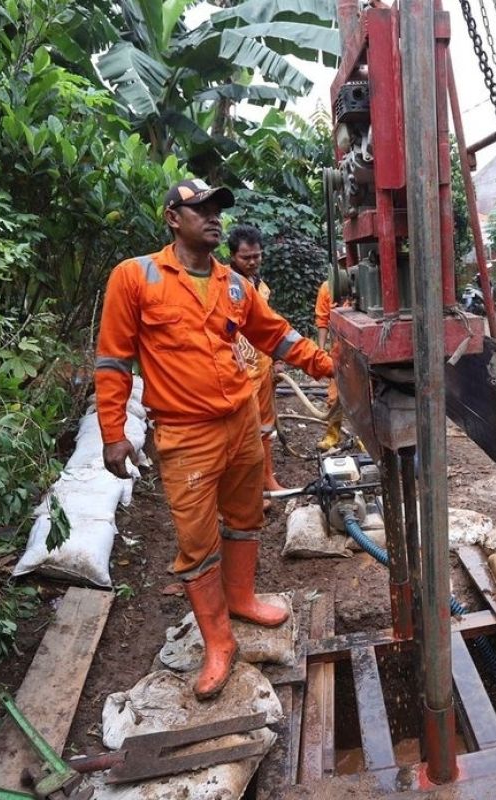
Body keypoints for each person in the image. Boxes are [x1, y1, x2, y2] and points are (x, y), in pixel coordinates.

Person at [95, 179, 333, 700]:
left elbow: (276, 334)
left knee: (247, 516)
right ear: (172, 218)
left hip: (241, 424)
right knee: (197, 541)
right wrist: (113, 433)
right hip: (185, 433)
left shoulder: (233, 284)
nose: (213, 216)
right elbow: (113, 359)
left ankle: (242, 597)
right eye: (199, 208)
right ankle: (218, 641)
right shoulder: (137, 277)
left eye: (217, 208)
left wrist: (327, 363)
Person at [226, 224, 289, 504]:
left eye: (257, 256)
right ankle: (244, 494)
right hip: (239, 372)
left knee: (265, 427)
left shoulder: (259, 284)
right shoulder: (225, 286)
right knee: (242, 434)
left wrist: (276, 360)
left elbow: (269, 326)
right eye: (246, 258)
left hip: (261, 367)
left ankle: (268, 477)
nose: (252, 262)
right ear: (232, 257)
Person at [314, 276, 352, 451]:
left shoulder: (366, 285)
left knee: (366, 398)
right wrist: (321, 352)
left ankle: (365, 440)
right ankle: (332, 436)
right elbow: (322, 320)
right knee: (334, 396)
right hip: (338, 350)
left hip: (361, 350)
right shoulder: (327, 288)